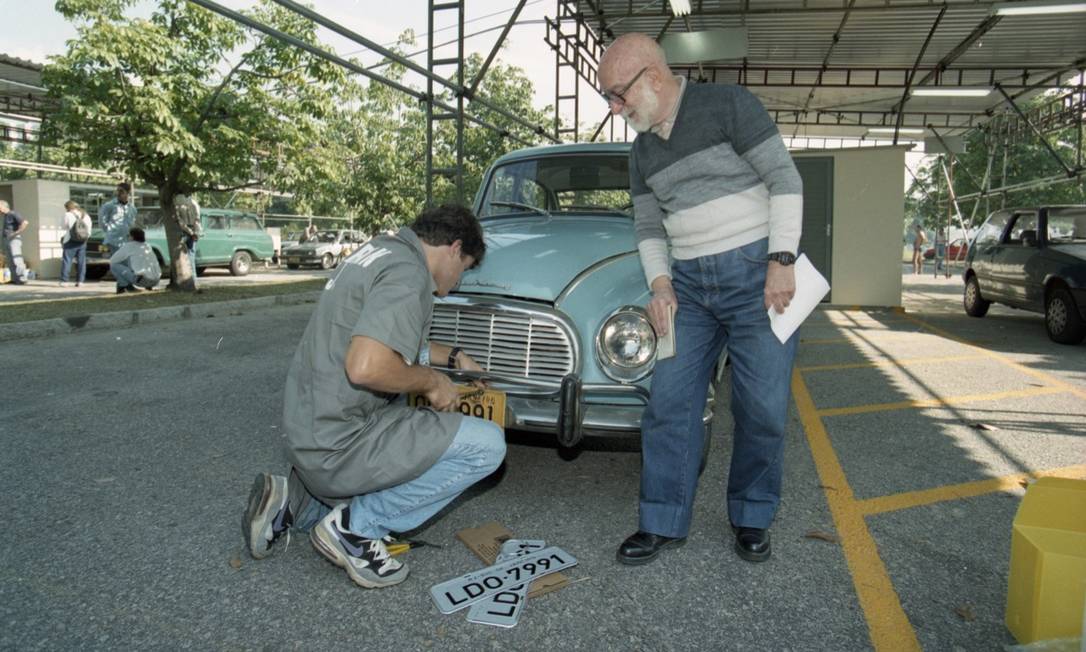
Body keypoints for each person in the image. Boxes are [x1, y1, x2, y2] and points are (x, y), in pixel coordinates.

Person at [599, 33, 803, 565]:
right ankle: (661, 521)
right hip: (687, 286)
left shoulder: (729, 105)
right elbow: (647, 227)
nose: (616, 108)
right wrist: (660, 285)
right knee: (668, 403)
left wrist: (782, 261)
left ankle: (752, 514)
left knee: (762, 408)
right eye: (610, 100)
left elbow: (784, 178)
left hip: (757, 274)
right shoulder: (641, 150)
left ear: (652, 77)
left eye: (618, 95)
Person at [243, 204, 505, 589]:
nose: (458, 280)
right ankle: (356, 530)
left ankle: (291, 503)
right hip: (338, 442)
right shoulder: (408, 275)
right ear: (454, 247)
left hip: (307, 433)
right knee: (487, 445)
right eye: (464, 267)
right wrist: (433, 382)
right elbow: (365, 367)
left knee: (398, 410)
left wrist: (453, 356)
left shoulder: (380, 251)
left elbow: (384, 338)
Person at [108, 227, 161, 293]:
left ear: (132, 237)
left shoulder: (129, 246)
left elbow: (113, 260)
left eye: (128, 235)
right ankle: (147, 287)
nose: (127, 237)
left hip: (142, 281)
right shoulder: (147, 245)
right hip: (156, 281)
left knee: (114, 265)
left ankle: (124, 286)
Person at [98, 182, 137, 256]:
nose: (118, 193)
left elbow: (132, 224)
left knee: (125, 265)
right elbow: (102, 222)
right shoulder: (108, 206)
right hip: (110, 242)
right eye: (117, 190)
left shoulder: (132, 209)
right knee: (108, 265)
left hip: (125, 243)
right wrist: (111, 231)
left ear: (128, 193)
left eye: (121, 191)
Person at [60, 200, 92, 287]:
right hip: (82, 241)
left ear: (68, 207)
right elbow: (89, 229)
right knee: (81, 261)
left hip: (70, 240)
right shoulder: (86, 215)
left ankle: (65, 281)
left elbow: (63, 226)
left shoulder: (68, 215)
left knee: (67, 260)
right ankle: (80, 281)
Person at [173, 193, 201, 285]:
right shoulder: (194, 203)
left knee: (180, 256)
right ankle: (193, 280)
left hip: (184, 232)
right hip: (192, 231)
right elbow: (197, 220)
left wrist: (190, 232)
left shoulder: (177, 203)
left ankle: (183, 280)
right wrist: (195, 232)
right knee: (191, 256)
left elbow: (180, 222)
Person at [1, 199, 29, 285]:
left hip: (14, 239)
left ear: (4, 206)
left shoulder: (13, 213)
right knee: (9, 259)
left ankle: (22, 278)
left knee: (17, 258)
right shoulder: (5, 216)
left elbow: (25, 222)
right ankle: (14, 278)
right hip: (6, 238)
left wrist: (16, 233)